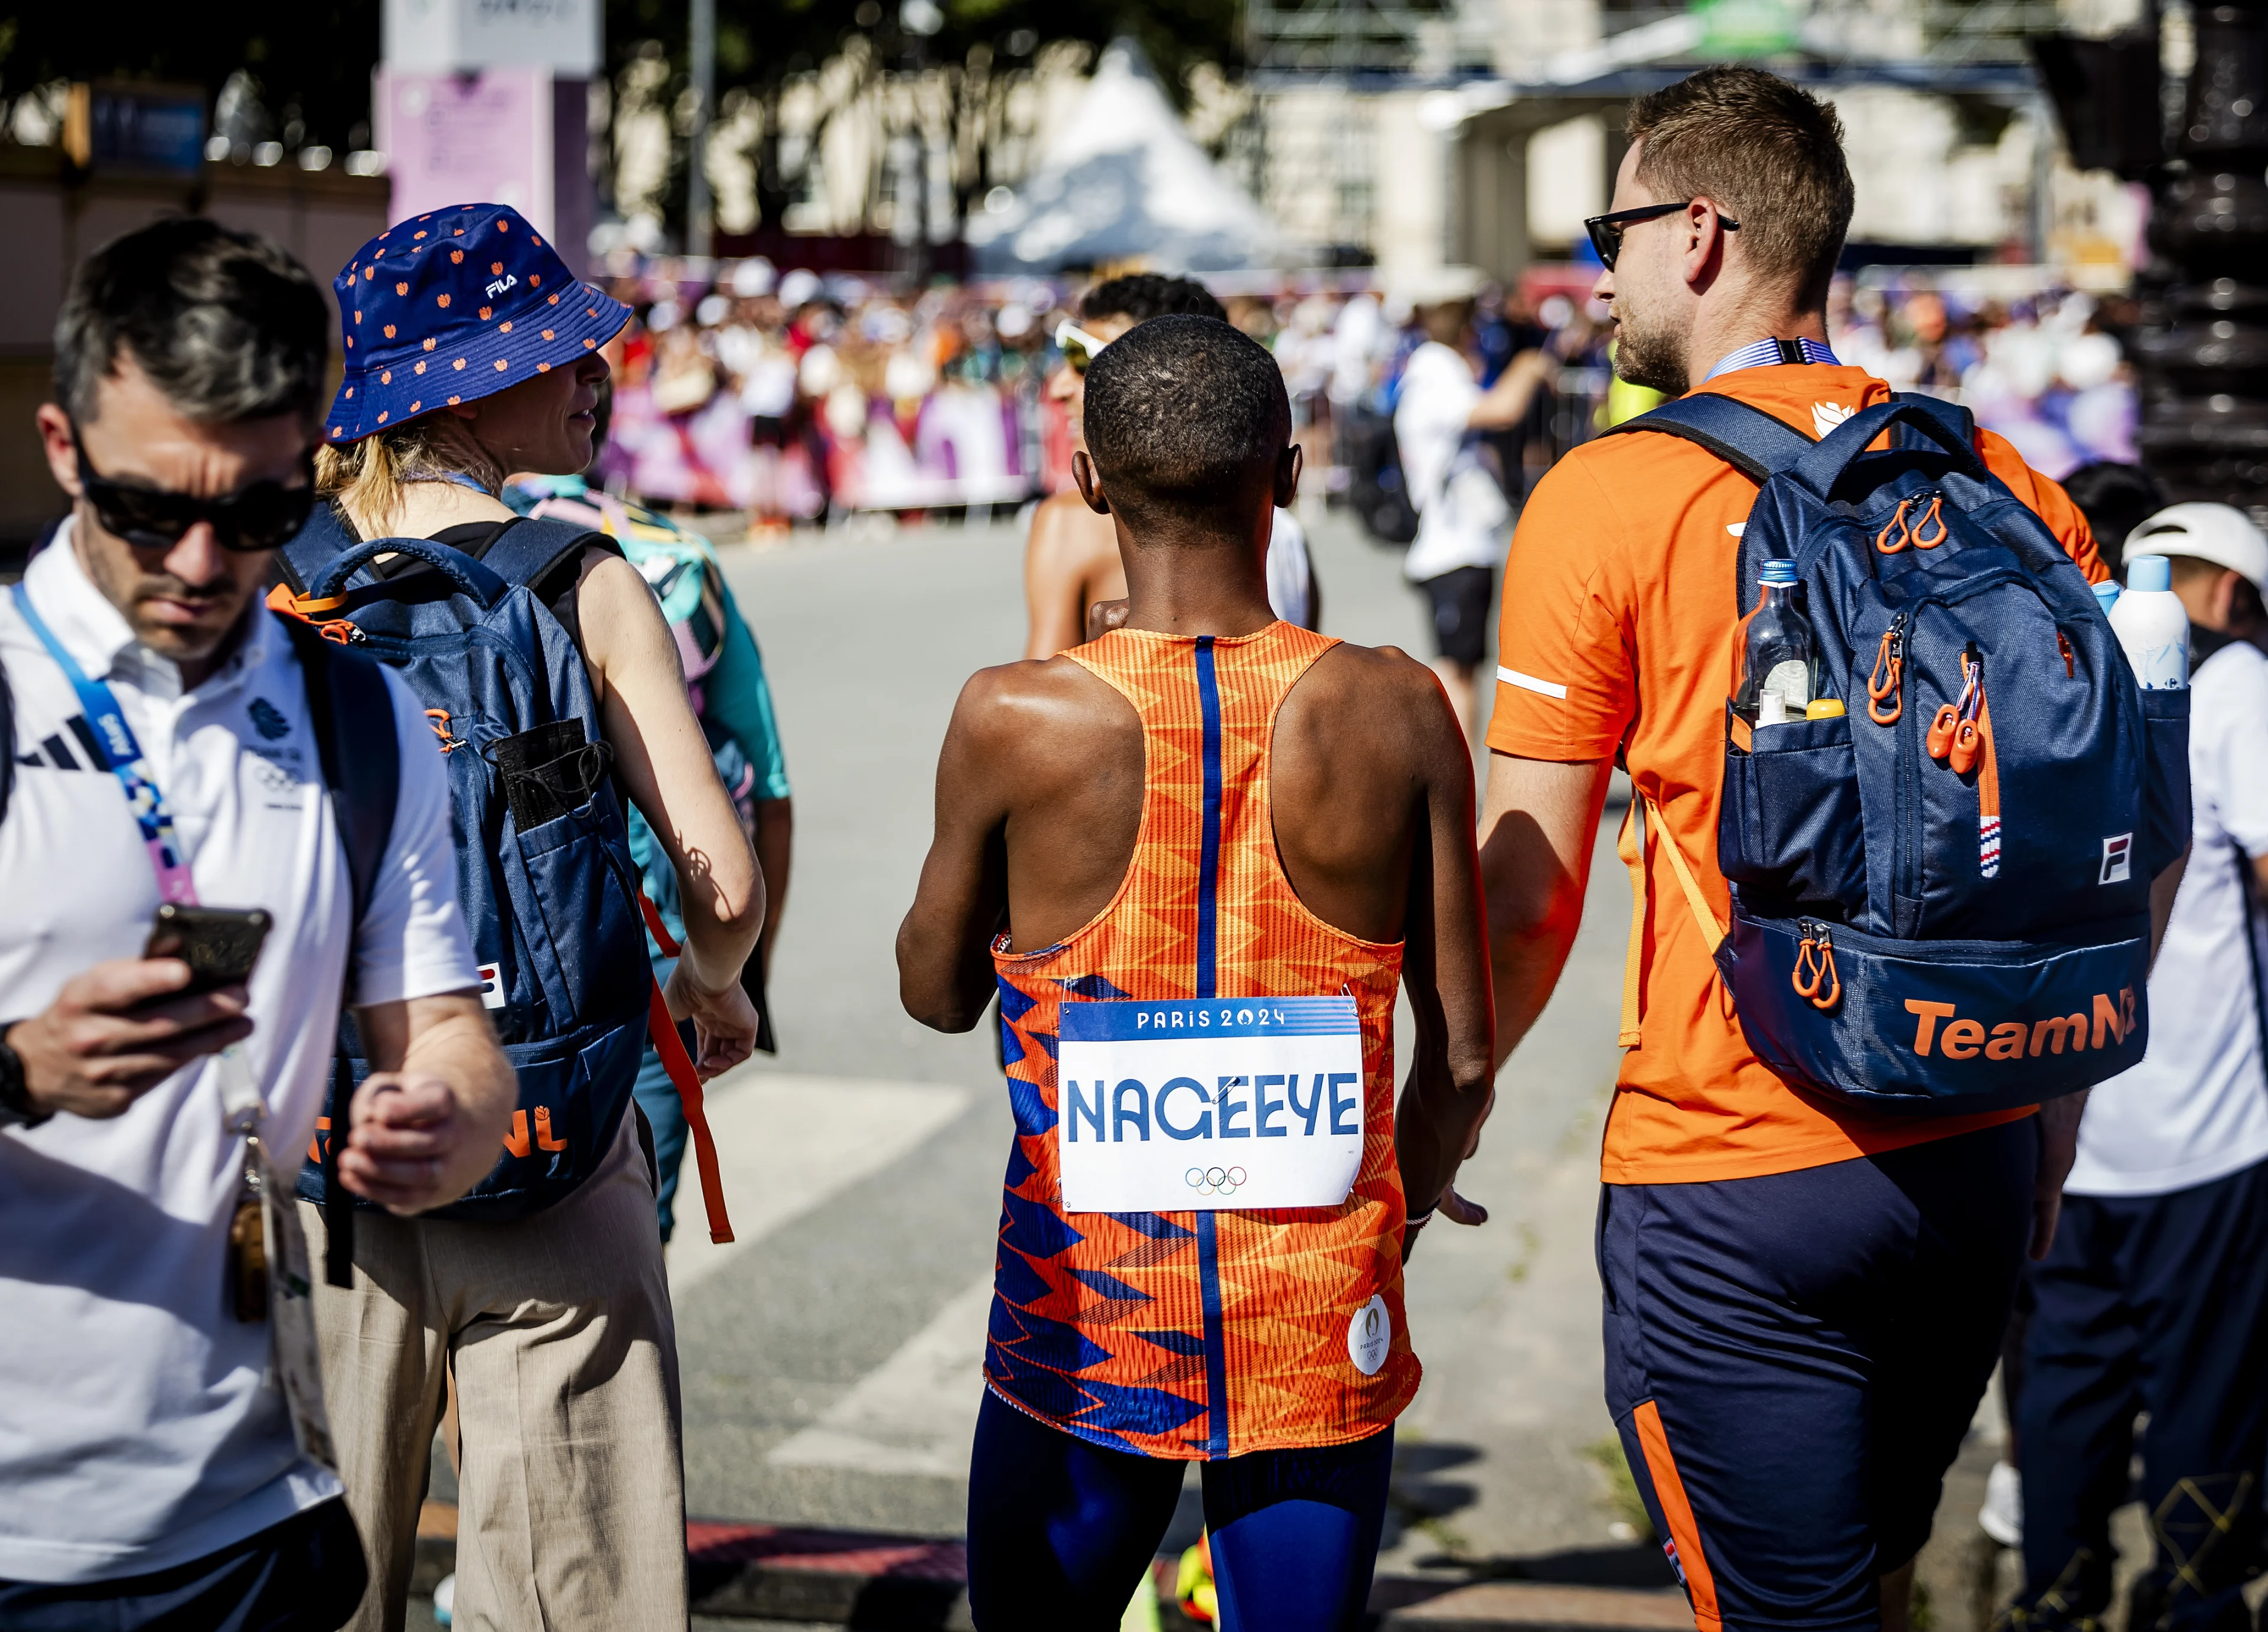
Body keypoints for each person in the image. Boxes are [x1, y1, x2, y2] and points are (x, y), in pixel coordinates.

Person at [1478, 67, 2123, 1632]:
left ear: (1699, 234)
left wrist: (1442, 1117)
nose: (1598, 267)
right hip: (1970, 1133)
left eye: (1610, 227)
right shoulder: (2002, 480)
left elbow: (1527, 891)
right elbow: (2114, 835)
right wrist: (2044, 1115)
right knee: (1876, 1583)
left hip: (1736, 1167)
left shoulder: (1609, 492)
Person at [898, 314, 1495, 1629]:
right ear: (1285, 472)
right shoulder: (1399, 708)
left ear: (1087, 475)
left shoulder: (1016, 715)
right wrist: (1385, 1208)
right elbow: (1461, 1057)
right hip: (1314, 1306)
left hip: (1088, 1311)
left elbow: (936, 993)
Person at [0, 219, 514, 1628]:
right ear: (63, 446)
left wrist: (445, 1117)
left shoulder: (361, 713)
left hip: (254, 1517)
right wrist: (16, 1071)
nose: (205, 560)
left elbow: (452, 1037)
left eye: (263, 512)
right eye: (152, 507)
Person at [297, 204, 764, 1632]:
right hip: (553, 1128)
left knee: (316, 1575)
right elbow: (723, 879)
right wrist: (714, 983)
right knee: (576, 1585)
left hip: (326, 1143)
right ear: (454, 389)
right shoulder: (584, 576)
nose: (590, 374)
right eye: (551, 353)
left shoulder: (282, 577)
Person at [2008, 504, 2268, 1632]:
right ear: (2229, 592)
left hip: (2057, 1115)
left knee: (2066, 1380)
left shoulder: (2063, 668)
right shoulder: (2239, 680)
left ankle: (2057, 1595)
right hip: (2204, 1130)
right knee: (2208, 1384)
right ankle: (2197, 1601)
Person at [509, 467, 793, 1241]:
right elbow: (765, 780)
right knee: (623, 1223)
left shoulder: (384, 552)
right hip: (658, 922)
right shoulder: (662, 558)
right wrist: (729, 976)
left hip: (488, 938)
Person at [1024, 275, 1318, 660]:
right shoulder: (1288, 533)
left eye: (1086, 363)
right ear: (1289, 475)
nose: (1060, 386)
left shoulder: (1069, 521)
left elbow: (1040, 705)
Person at [1391, 276, 1552, 753]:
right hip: (1450, 548)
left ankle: (1454, 784)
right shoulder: (1436, 375)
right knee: (1455, 676)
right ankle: (1454, 785)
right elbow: (1500, 409)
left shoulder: (1432, 372)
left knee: (1459, 671)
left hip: (1454, 545)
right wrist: (1530, 362)